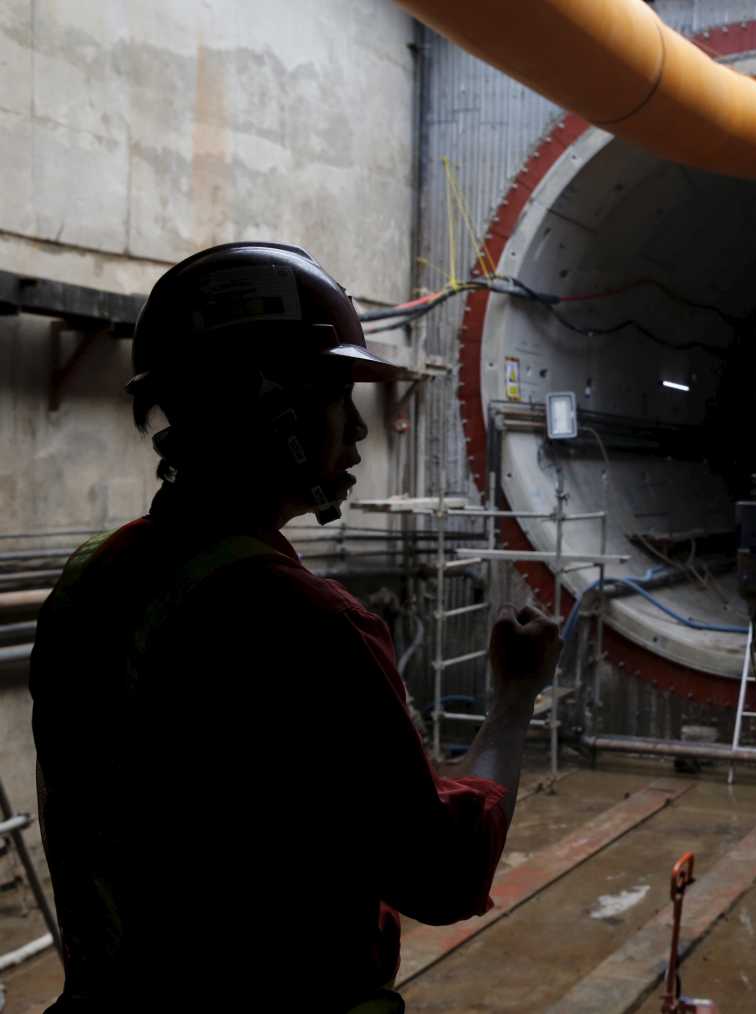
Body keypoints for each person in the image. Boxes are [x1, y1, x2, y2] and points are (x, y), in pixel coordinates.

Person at [29, 243, 560, 1013]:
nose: (359, 432)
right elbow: (443, 874)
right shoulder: (306, 623)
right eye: (339, 396)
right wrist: (514, 695)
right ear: (275, 409)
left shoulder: (91, 581)